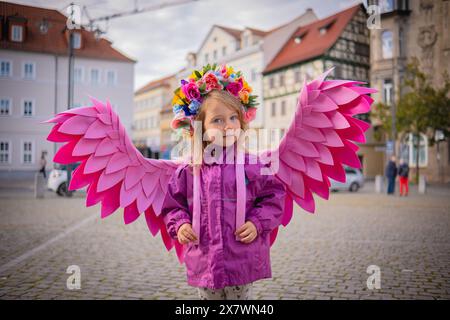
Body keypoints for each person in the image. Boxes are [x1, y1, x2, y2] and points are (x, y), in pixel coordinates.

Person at [161, 73, 286, 300]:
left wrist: (257, 223)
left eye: (233, 118)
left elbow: (273, 197)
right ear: (200, 128)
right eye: (217, 120)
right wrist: (180, 225)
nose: (227, 126)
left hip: (242, 256)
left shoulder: (253, 165)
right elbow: (173, 205)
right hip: (204, 258)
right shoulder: (189, 169)